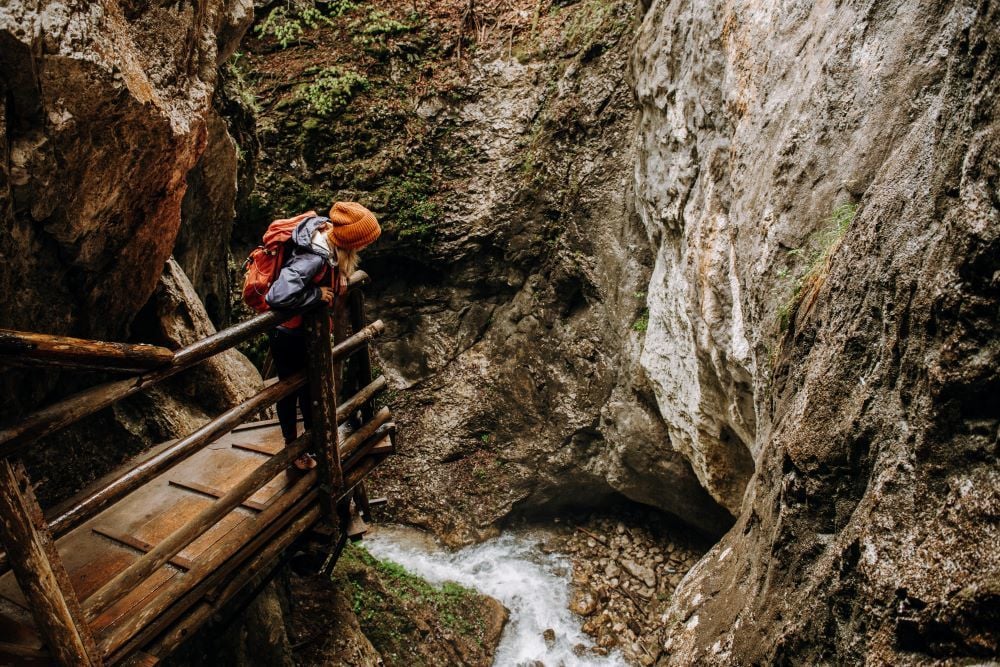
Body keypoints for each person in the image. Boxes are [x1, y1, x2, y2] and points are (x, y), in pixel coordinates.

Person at [265, 201, 381, 470]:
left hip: (305, 333)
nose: (365, 246)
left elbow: (331, 259)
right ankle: (294, 449)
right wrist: (317, 294)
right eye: (364, 241)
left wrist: (339, 273)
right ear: (351, 240)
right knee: (291, 391)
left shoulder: (326, 231)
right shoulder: (312, 258)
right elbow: (277, 295)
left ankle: (312, 444)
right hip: (289, 334)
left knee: (310, 387)